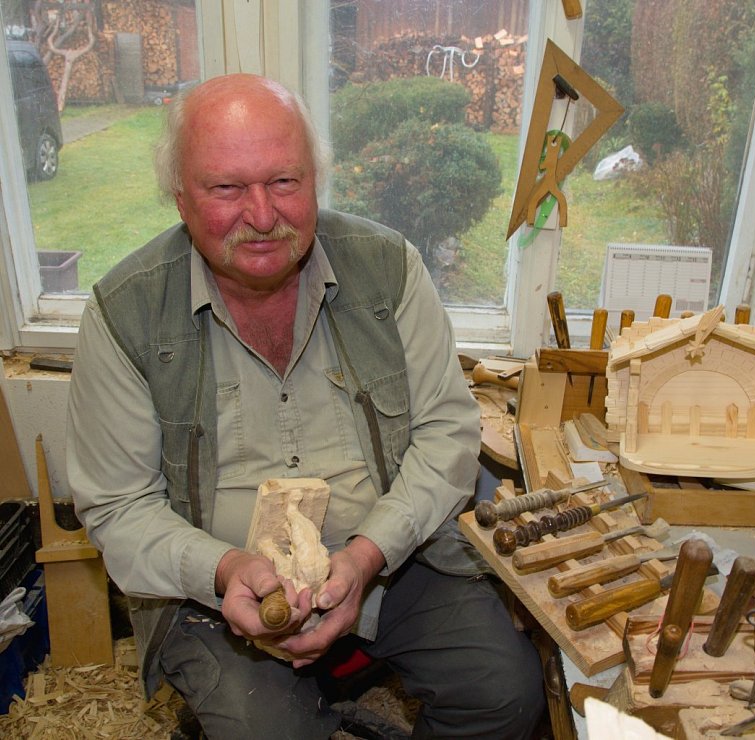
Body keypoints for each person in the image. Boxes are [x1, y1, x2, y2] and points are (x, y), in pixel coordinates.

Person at [66, 73, 546, 739]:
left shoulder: (388, 269)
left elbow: (448, 431)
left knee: (504, 694)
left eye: (284, 181)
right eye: (226, 188)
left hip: (389, 560)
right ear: (180, 198)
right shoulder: (125, 313)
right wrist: (227, 570)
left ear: (316, 181)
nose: (263, 216)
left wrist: (368, 556)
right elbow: (118, 506)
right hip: (215, 591)